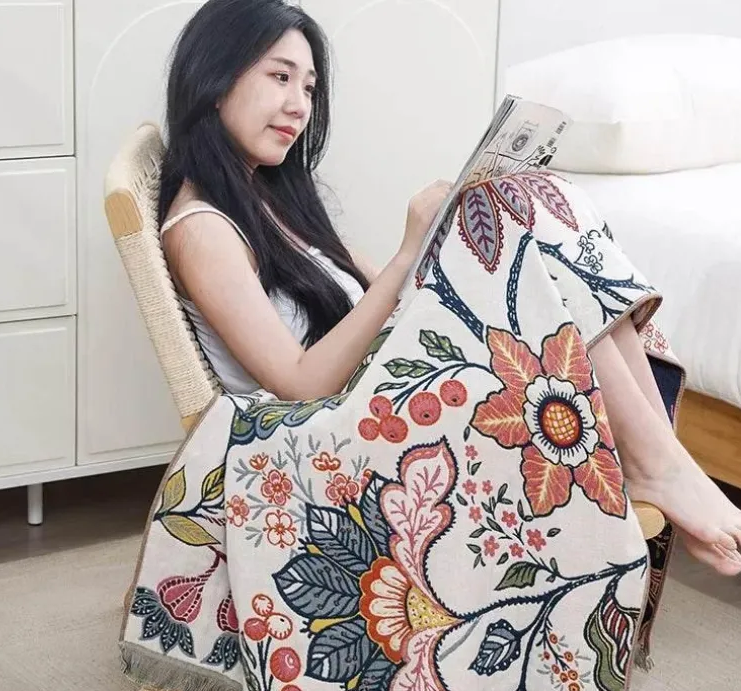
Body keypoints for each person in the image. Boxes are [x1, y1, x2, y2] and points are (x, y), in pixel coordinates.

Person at [158, 0, 740, 576]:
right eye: (280, 77)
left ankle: (661, 459)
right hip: (341, 435)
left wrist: (447, 237)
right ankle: (657, 463)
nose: (299, 105)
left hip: (379, 385)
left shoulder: (269, 199)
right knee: (528, 234)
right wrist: (410, 252)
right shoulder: (203, 230)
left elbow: (373, 287)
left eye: (309, 87)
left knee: (535, 208)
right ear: (215, 78)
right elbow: (299, 383)